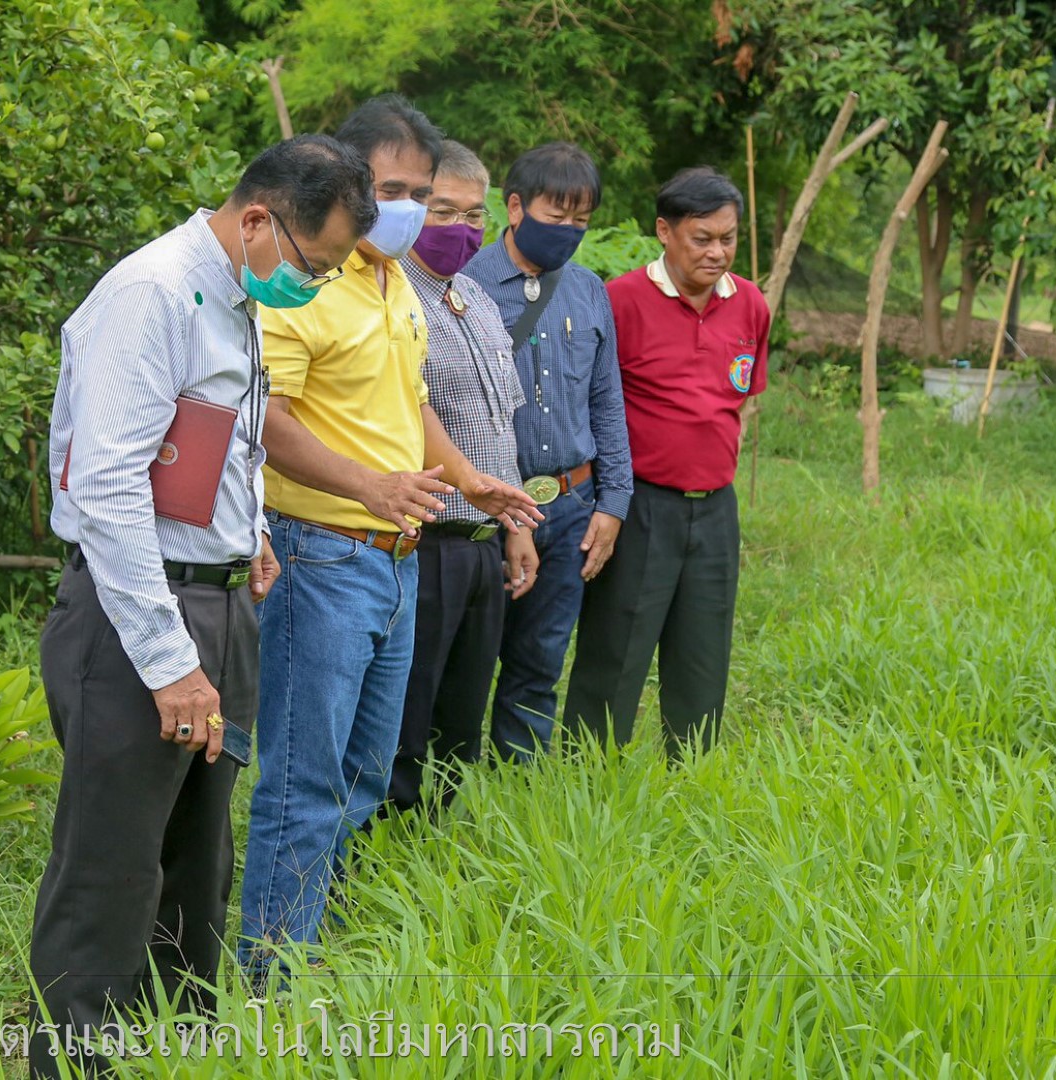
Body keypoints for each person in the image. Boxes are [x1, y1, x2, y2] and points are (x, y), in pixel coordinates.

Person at [27, 134, 377, 1077]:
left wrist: (244, 530)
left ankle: (178, 1054)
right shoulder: (152, 294)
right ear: (258, 219)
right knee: (110, 867)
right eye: (315, 265)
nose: (316, 285)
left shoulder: (235, 295)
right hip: (137, 616)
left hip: (217, 605)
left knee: (197, 862)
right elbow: (107, 488)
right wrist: (169, 658)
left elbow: (213, 439)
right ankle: (76, 1063)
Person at [237, 97, 539, 982]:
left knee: (367, 771)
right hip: (322, 550)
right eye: (389, 190)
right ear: (345, 183)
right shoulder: (304, 282)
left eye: (418, 191)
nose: (402, 208)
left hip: (397, 558)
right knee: (305, 779)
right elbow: (267, 417)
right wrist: (366, 483)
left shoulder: (394, 280)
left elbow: (411, 403)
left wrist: (468, 480)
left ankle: (314, 939)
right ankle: (272, 981)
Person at [564, 166, 769, 755]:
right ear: (665, 231)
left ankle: (692, 768)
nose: (717, 252)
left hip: (716, 508)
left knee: (704, 647)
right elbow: (592, 403)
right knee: (617, 643)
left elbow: (739, 398)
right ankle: (587, 769)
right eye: (702, 238)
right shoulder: (620, 300)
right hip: (639, 503)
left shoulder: (750, 304)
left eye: (728, 238)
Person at [461, 142, 631, 762]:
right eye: (556, 217)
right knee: (467, 662)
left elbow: (606, 401)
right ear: (515, 208)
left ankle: (519, 784)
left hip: (571, 504)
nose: (569, 231)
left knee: (540, 661)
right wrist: (507, 515)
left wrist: (612, 502)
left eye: (581, 220)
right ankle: (444, 788)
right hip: (484, 507)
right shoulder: (465, 287)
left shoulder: (588, 291)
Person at [385, 140, 538, 815]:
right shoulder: (391, 296)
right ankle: (386, 840)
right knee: (406, 713)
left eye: (474, 215)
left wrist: (515, 526)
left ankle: (437, 843)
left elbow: (503, 424)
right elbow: (406, 409)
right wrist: (472, 487)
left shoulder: (474, 297)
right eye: (443, 211)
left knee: (462, 717)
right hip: (426, 538)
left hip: (483, 541)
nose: (462, 228)